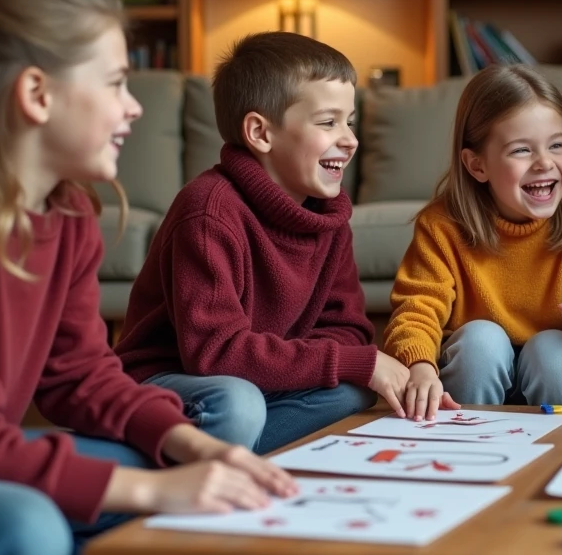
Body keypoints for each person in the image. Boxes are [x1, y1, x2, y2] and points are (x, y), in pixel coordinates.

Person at [0, 0, 294, 555]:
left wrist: (194, 446)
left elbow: (79, 375)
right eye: (117, 82)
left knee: (155, 463)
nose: (134, 105)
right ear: (37, 93)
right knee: (26, 529)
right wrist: (156, 495)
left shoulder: (69, 214)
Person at [116, 32, 404, 458]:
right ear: (260, 133)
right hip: (175, 381)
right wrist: (356, 360)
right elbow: (215, 354)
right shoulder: (208, 211)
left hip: (260, 380)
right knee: (238, 404)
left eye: (350, 121)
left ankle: (232, 458)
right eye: (328, 122)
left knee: (351, 392)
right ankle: (206, 465)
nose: (349, 139)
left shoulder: (328, 215)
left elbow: (349, 329)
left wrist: (352, 364)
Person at [384, 64, 562, 419]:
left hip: (554, 372)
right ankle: (464, 444)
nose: (544, 162)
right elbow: (417, 308)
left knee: (554, 348)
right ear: (477, 165)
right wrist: (420, 365)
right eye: (522, 151)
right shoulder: (441, 226)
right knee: (480, 341)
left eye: (557, 145)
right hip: (475, 371)